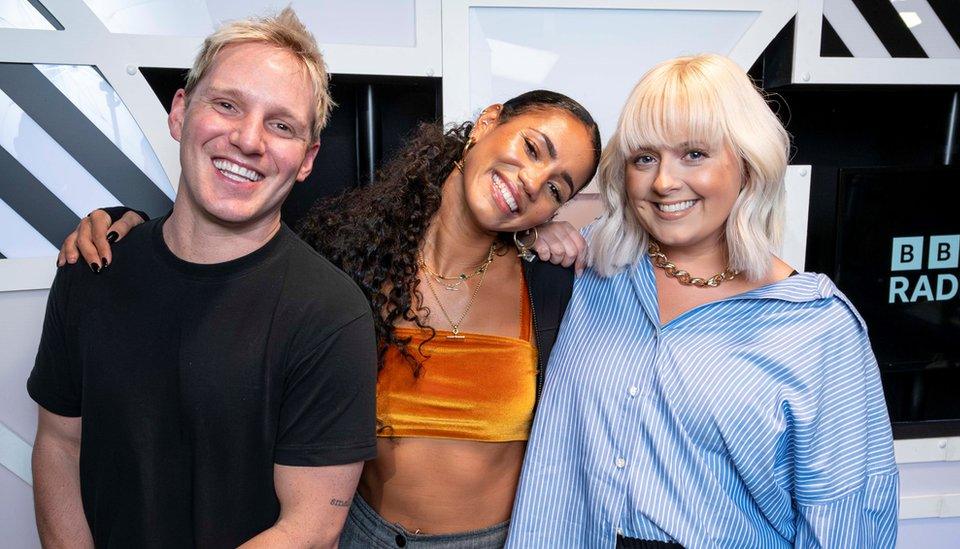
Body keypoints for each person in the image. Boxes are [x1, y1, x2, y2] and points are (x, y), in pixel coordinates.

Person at [58, 90, 601, 545]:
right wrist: (130, 221)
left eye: (557, 187)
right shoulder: (345, 253)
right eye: (532, 148)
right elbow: (231, 240)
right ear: (488, 122)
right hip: (353, 534)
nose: (533, 181)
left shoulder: (548, 284)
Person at [506, 53, 899, 549]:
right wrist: (528, 231)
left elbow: (847, 521)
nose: (664, 182)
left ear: (748, 163)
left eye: (694, 154)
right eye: (644, 157)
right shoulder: (589, 271)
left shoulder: (818, 329)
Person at [28, 9, 377, 547]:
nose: (248, 139)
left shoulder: (331, 315)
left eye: (281, 125)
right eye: (227, 104)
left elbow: (310, 526)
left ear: (306, 160)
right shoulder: (93, 269)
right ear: (180, 112)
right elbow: (58, 444)